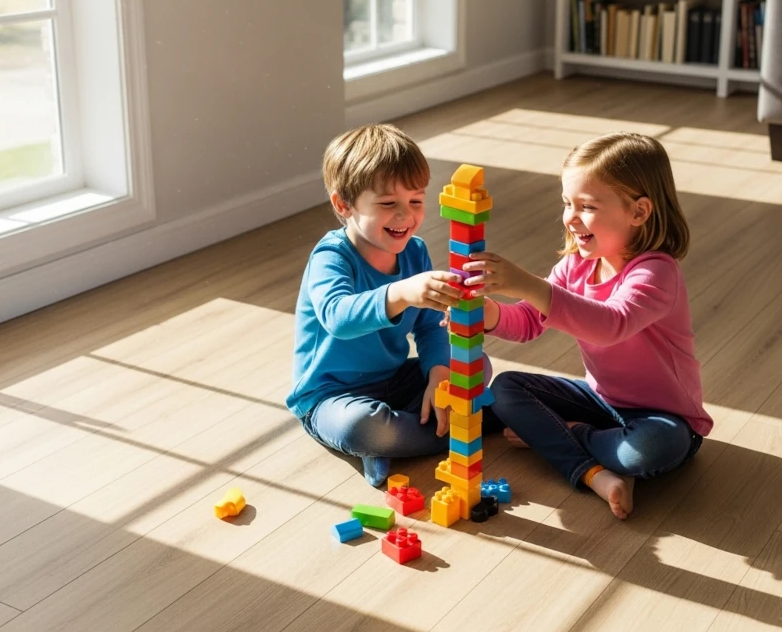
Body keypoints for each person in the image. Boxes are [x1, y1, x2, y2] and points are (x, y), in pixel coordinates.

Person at [463, 132, 711, 519]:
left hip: (663, 418)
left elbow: (611, 324)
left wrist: (527, 283)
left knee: (647, 451)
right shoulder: (575, 265)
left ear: (639, 212)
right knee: (507, 389)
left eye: (587, 206)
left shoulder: (657, 272)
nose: (571, 217)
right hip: (600, 399)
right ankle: (594, 474)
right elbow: (528, 322)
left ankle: (568, 434)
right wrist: (484, 313)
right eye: (567, 203)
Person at [285, 123, 463, 487]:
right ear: (343, 205)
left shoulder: (415, 252)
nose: (405, 216)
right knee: (361, 427)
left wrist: (439, 373)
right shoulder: (332, 257)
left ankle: (401, 438)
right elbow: (338, 317)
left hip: (393, 381)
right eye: (388, 204)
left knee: (472, 365)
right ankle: (455, 428)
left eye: (416, 201)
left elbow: (430, 325)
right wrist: (401, 293)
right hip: (330, 395)